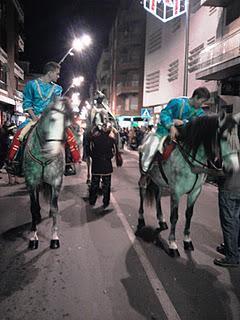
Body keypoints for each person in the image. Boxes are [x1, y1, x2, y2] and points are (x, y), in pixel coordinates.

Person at [8, 61, 80, 170]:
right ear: (50, 73)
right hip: (34, 118)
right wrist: (34, 117)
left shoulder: (57, 89)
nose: (58, 76)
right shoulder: (31, 85)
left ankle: (69, 163)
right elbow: (27, 103)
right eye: (57, 73)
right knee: (20, 134)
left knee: (69, 135)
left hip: (50, 119)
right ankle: (14, 162)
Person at [140, 87, 210, 176]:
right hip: (163, 132)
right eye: (202, 101)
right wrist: (171, 126)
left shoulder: (200, 113)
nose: (202, 105)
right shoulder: (177, 102)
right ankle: (145, 172)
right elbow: (164, 114)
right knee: (151, 147)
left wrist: (183, 122)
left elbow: (197, 124)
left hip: (184, 136)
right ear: (196, 97)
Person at [214, 125, 240, 268]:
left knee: (229, 221)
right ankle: (234, 248)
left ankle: (232, 256)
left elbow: (224, 170)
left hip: (230, 187)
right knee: (236, 220)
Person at [88, 122, 118, 208]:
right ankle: (106, 202)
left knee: (94, 184)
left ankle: (92, 200)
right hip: (106, 165)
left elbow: (90, 151)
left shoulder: (94, 139)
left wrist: (94, 157)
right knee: (106, 185)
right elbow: (114, 153)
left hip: (96, 164)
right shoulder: (111, 140)